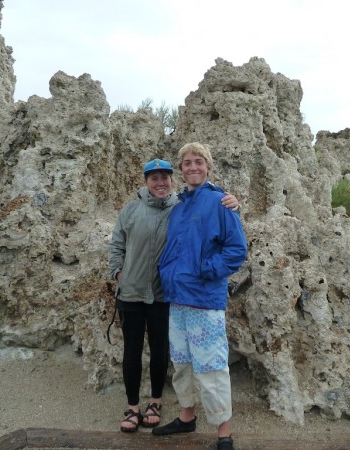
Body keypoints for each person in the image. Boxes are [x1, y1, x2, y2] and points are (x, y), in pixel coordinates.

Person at [108, 158, 239, 433]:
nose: (160, 183)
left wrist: (234, 203)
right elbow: (116, 244)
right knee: (151, 355)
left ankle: (164, 406)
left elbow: (229, 238)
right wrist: (119, 274)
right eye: (154, 178)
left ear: (172, 180)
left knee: (177, 356)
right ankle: (140, 409)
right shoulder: (136, 210)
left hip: (172, 295)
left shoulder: (180, 207)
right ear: (146, 182)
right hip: (147, 295)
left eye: (164, 178)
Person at [152, 143, 247, 450]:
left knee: (212, 366)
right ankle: (187, 417)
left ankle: (224, 433)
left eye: (198, 162)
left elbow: (237, 250)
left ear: (208, 167)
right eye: (187, 163)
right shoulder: (179, 207)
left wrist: (207, 269)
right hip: (177, 299)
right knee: (182, 363)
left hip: (205, 300)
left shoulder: (221, 202)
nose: (192, 167)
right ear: (181, 169)